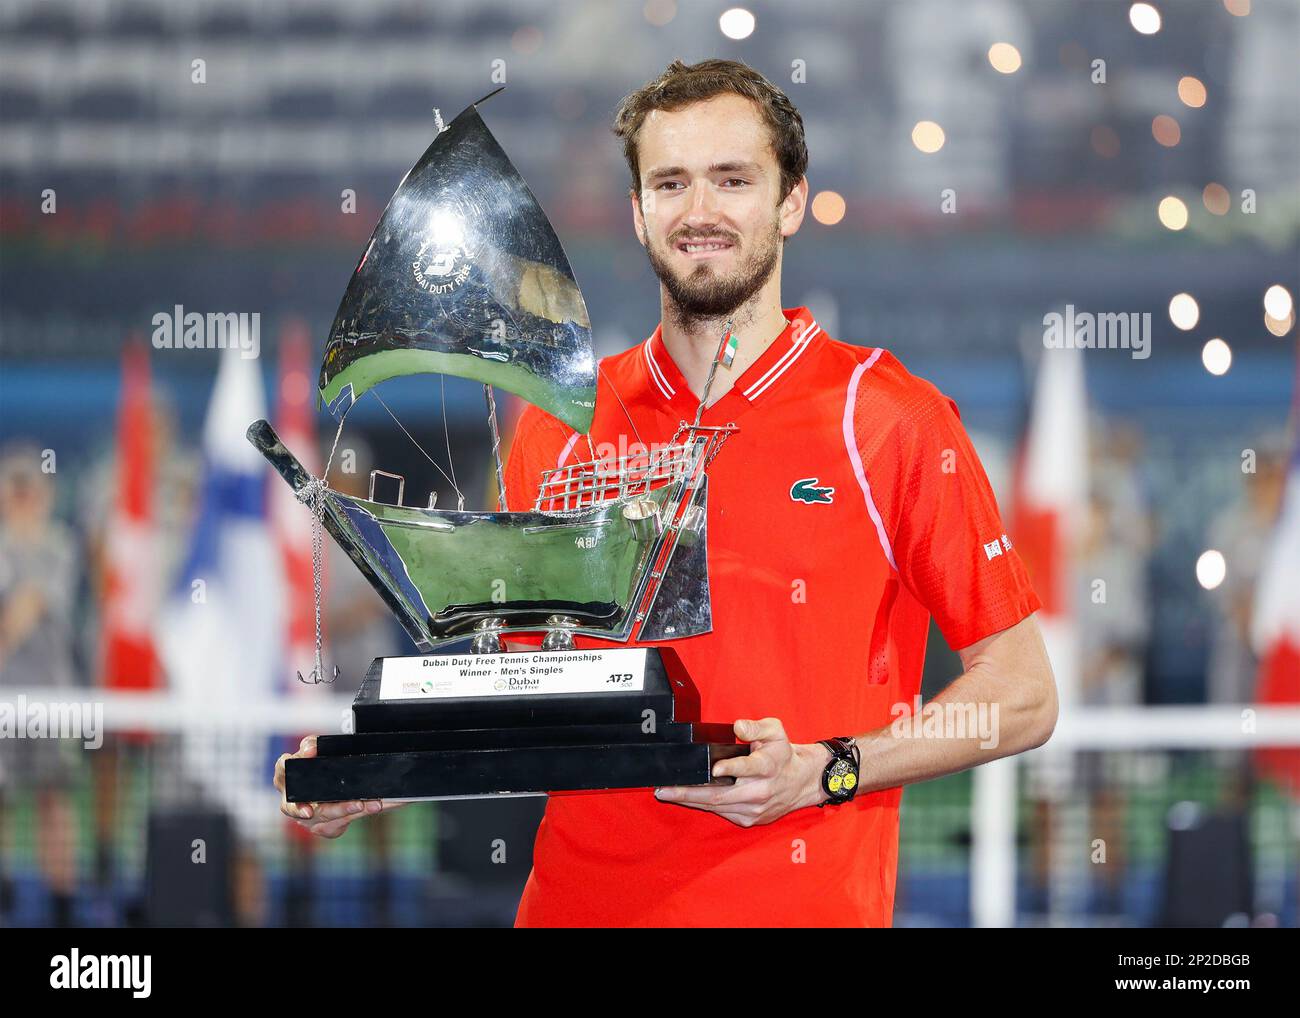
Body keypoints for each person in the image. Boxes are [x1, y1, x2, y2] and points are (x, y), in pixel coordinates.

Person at [275, 58, 1057, 927]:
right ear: (639, 212)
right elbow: (524, 681)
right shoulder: (560, 422)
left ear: (791, 201)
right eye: (671, 183)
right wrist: (383, 766)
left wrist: (827, 768)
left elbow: (1023, 693)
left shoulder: (887, 419)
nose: (701, 212)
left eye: (733, 180)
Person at [0, 445, 81, 927]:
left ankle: (63, 908)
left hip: (52, 700)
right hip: (3, 700)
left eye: (31, 486)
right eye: (16, 486)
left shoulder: (59, 545)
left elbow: (29, 604)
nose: (23, 495)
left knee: (55, 800)